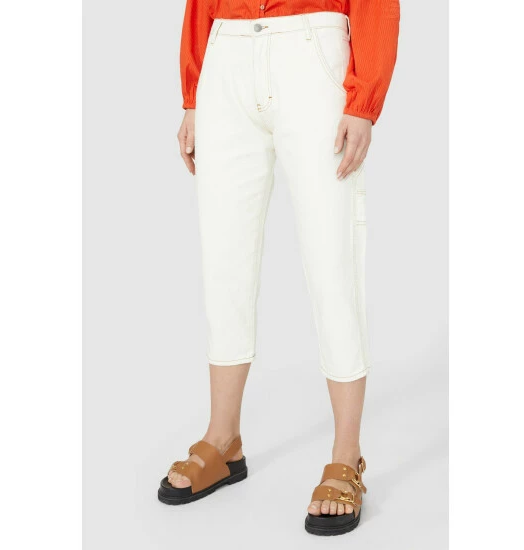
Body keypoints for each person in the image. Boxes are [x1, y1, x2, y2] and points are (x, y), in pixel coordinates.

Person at [158, 0, 399, 536]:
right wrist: (194, 93)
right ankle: (223, 439)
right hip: (226, 52)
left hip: (311, 49)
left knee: (333, 256)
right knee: (223, 257)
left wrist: (364, 101)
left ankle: (347, 455)